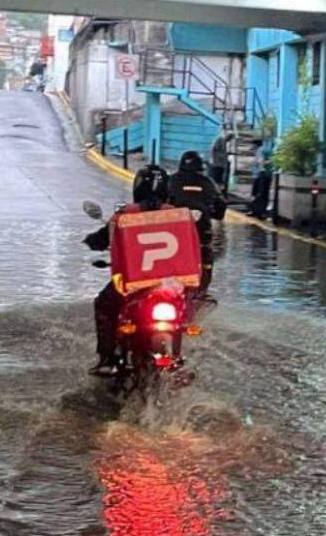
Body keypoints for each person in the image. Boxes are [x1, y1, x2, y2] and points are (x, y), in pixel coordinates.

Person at [84, 164, 172, 376]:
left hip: (134, 284)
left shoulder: (124, 215)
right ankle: (175, 355)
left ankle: (107, 358)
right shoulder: (178, 215)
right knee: (184, 313)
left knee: (104, 305)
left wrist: (92, 240)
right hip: (170, 285)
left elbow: (101, 239)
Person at [167, 150, 226, 294]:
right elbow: (220, 207)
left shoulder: (171, 181)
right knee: (206, 259)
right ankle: (202, 292)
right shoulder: (208, 183)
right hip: (201, 235)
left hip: (171, 237)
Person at [250, 138, 275, 219]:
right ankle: (260, 211)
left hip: (260, 175)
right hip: (266, 174)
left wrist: (262, 168)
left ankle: (257, 211)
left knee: (258, 193)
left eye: (252, 145)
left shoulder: (260, 151)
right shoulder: (268, 150)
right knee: (263, 193)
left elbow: (261, 162)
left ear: (255, 145)